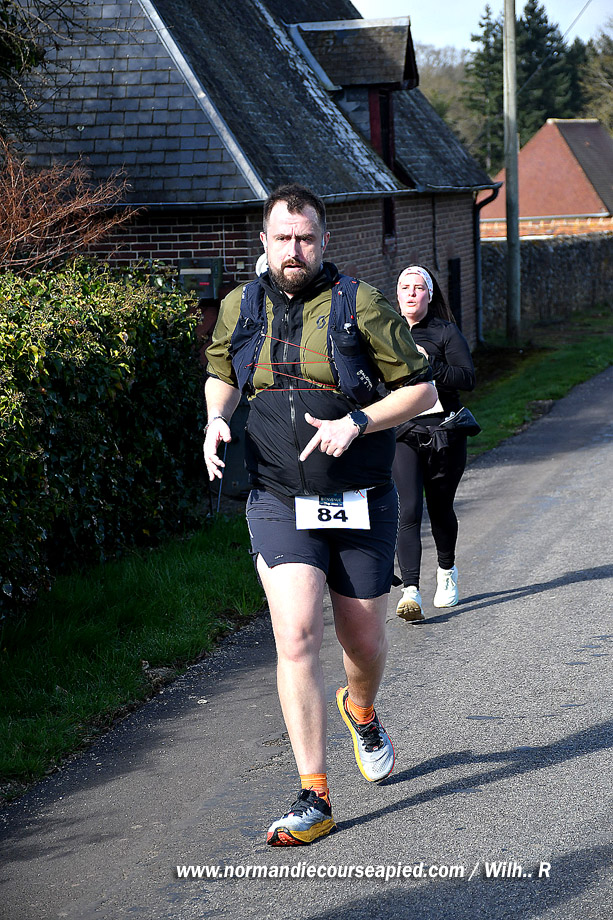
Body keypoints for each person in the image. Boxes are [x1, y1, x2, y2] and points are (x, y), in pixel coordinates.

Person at [204, 185, 437, 846]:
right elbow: (222, 374)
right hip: (278, 497)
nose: (294, 250)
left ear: (323, 240)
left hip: (359, 497)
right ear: (263, 241)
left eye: (305, 238)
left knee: (362, 641)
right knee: (297, 634)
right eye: (282, 238)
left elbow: (421, 391)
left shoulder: (360, 304)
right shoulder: (239, 305)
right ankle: (315, 795)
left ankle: (360, 709)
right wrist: (215, 418)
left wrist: (357, 421)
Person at [393, 265, 476, 622]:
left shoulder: (445, 332)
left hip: (444, 433)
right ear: (397, 295)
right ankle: (410, 591)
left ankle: (446, 572)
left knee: (440, 508)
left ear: (429, 294)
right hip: (403, 432)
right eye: (405, 287)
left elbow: (467, 378)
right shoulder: (387, 331)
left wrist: (432, 366)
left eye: (418, 288)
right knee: (408, 508)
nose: (411, 293)